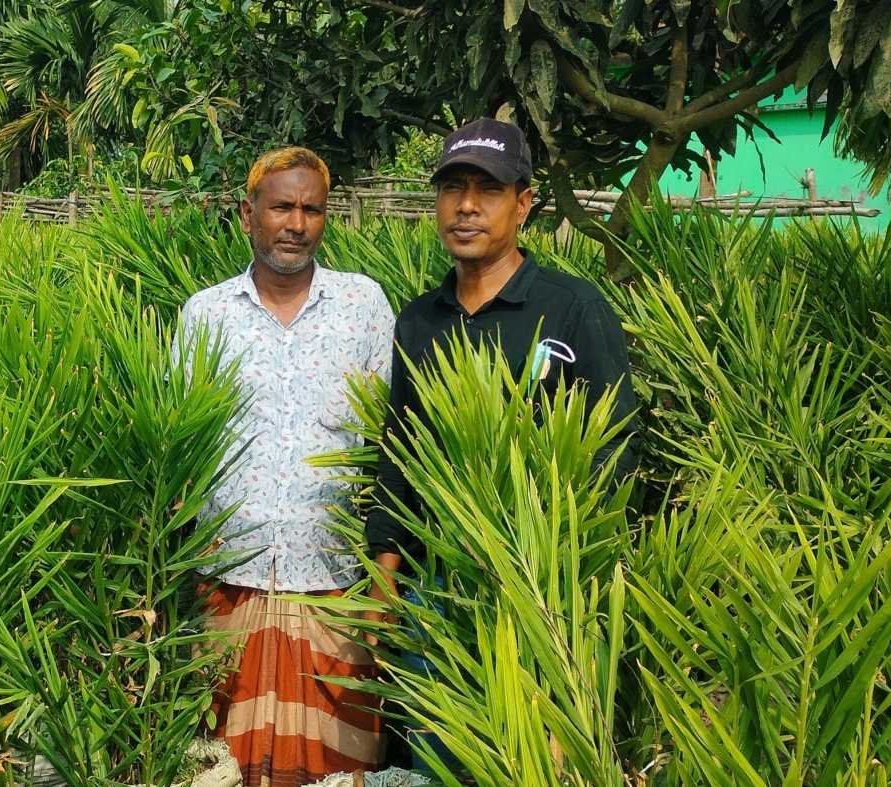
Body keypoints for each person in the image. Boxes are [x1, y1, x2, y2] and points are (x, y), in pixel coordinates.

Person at [362, 118, 639, 767]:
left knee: (527, 765)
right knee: (436, 760)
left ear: (524, 202)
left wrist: (575, 587)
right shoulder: (419, 320)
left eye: (487, 189)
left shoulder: (571, 308)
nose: (465, 206)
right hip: (437, 594)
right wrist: (385, 572)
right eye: (452, 187)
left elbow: (615, 447)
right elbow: (400, 447)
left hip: (539, 593)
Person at [177, 147, 398, 785]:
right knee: (222, 764)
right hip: (228, 581)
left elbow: (391, 439)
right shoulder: (206, 316)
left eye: (311, 209)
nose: (296, 223)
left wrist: (383, 578)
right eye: (281, 207)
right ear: (248, 214)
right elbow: (180, 445)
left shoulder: (363, 308)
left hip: (335, 585)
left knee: (338, 765)